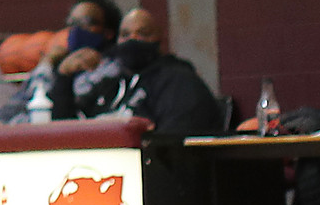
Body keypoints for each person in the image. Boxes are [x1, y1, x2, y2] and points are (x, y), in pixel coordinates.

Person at [56, 9, 226, 136]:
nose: (133, 39)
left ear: (160, 40)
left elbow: (174, 144)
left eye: (143, 33)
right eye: (125, 34)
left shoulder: (179, 81)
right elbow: (66, 128)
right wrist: (63, 78)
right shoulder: (110, 84)